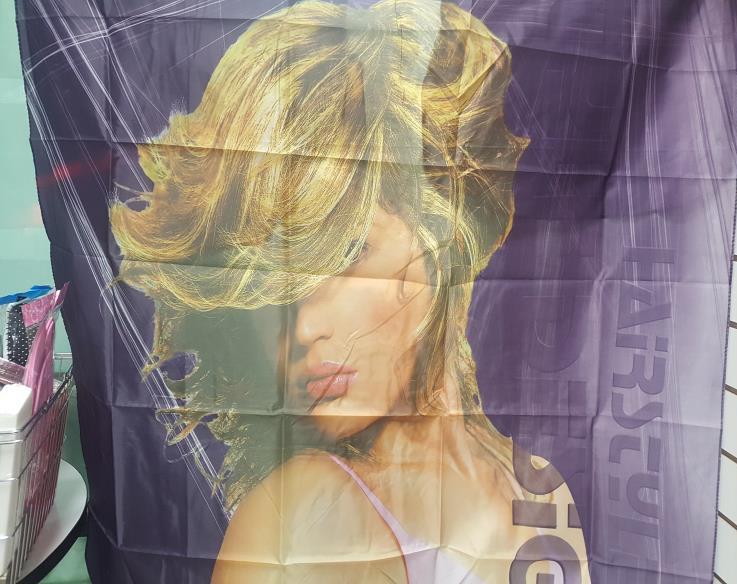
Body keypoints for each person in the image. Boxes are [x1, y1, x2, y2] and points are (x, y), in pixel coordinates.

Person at [110, 0, 591, 581]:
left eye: (344, 255)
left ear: (441, 235)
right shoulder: (298, 517)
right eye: (270, 288)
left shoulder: (540, 486)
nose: (303, 328)